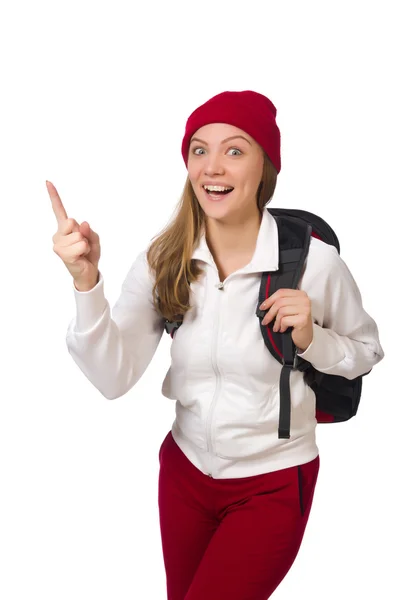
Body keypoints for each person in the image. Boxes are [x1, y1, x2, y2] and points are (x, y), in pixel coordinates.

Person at [48, 90, 385, 600]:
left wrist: (314, 339)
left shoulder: (315, 265)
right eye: (199, 150)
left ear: (265, 167)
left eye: (234, 149)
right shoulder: (165, 261)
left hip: (272, 483)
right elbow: (113, 378)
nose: (212, 166)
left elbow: (366, 351)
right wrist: (85, 282)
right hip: (184, 476)